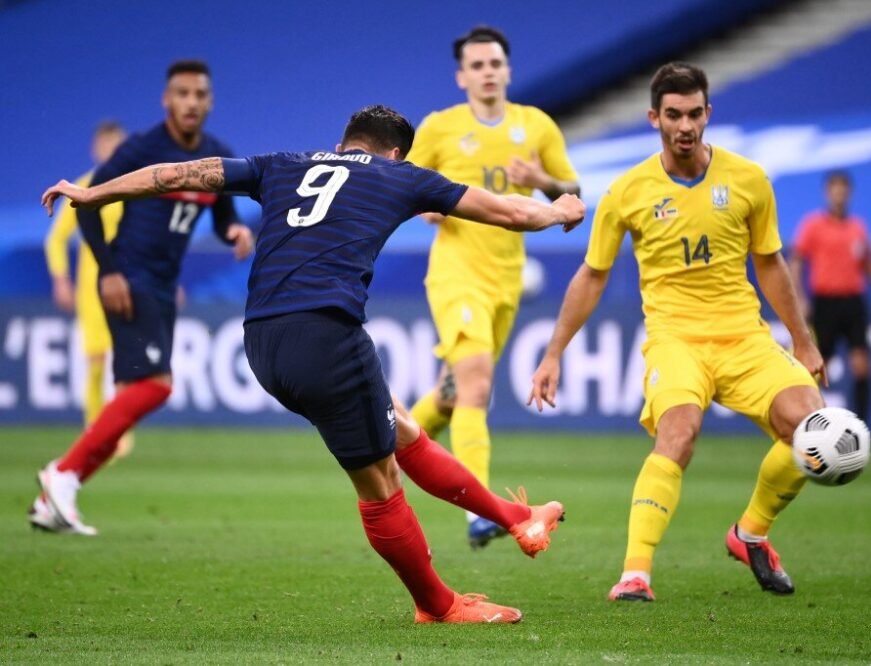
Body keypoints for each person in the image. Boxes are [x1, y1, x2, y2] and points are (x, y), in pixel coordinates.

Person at [41, 104, 583, 623]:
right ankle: (438, 605)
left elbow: (178, 174)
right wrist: (560, 209)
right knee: (380, 481)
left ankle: (517, 519)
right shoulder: (400, 176)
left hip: (262, 342)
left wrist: (95, 193)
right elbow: (510, 211)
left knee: (402, 428)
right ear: (394, 153)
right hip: (324, 335)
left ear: (342, 142)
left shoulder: (282, 165)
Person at [529, 63, 829, 601]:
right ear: (654, 118)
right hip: (676, 341)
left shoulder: (749, 180)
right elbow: (592, 276)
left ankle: (750, 533)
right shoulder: (628, 191)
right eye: (673, 115)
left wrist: (802, 339)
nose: (685, 125)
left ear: (708, 114)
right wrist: (554, 353)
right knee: (679, 433)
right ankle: (635, 574)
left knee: (813, 431)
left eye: (694, 114)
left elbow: (772, 264)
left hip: (745, 339)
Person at [30, 60, 254, 536]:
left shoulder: (216, 153)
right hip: (130, 277)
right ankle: (64, 473)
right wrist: (108, 271)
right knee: (156, 386)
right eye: (182, 93)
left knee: (138, 391)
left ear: (209, 102)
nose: (191, 102)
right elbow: (86, 204)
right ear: (166, 100)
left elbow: (221, 211)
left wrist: (232, 229)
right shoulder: (143, 148)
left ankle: (59, 492)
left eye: (199, 95)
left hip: (162, 284)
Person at [406, 25, 581, 549]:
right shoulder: (440, 128)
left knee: (454, 392)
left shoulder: (537, 127)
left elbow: (572, 196)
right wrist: (426, 207)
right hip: (456, 273)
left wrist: (544, 181)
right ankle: (480, 511)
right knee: (477, 383)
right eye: (477, 65)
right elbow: (404, 187)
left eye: (494, 63)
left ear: (507, 70)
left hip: (506, 279)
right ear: (462, 76)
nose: (487, 72)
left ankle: (386, 446)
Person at [44, 120, 136, 460]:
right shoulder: (83, 187)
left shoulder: (135, 187)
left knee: (128, 362)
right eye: (107, 147)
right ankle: (95, 429)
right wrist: (60, 279)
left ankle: (119, 430)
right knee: (97, 361)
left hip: (131, 286)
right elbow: (56, 241)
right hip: (93, 289)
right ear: (97, 150)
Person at [790, 170, 871, 422]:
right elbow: (797, 262)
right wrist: (799, 297)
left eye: (843, 190)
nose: (839, 195)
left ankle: (862, 426)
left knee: (861, 365)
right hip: (825, 303)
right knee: (818, 366)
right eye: (834, 189)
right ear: (827, 193)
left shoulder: (857, 228)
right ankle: (807, 422)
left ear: (849, 193)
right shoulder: (813, 225)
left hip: (853, 302)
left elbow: (867, 266)